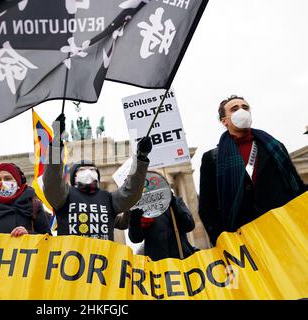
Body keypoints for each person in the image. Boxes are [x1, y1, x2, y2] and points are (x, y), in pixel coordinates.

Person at [198, 95, 306, 245]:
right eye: (234, 109)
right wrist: (223, 240)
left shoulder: (275, 146)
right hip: (243, 238)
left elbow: (297, 187)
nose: (242, 111)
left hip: (284, 229)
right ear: (224, 120)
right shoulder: (212, 158)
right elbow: (207, 207)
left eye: (245, 107)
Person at [43, 113, 152, 241]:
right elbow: (52, 181)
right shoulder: (64, 197)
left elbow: (131, 192)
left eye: (93, 170)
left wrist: (141, 158)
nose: (88, 172)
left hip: (102, 259)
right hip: (71, 259)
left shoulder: (108, 198)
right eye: (82, 170)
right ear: (74, 177)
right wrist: (56, 142)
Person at [128, 194, 197, 261]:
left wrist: (174, 204)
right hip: (157, 264)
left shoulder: (176, 201)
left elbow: (189, 225)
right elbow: (135, 239)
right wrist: (134, 220)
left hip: (181, 259)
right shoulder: (142, 207)